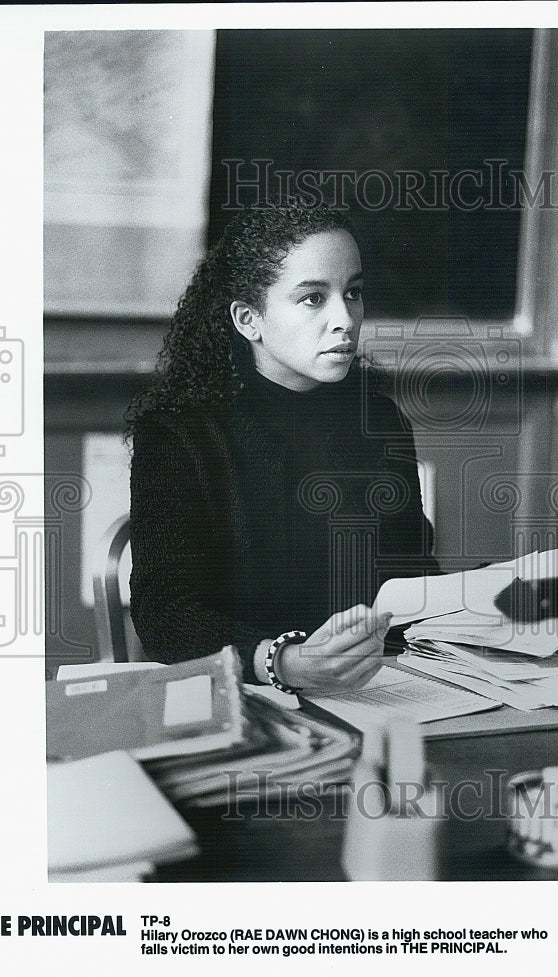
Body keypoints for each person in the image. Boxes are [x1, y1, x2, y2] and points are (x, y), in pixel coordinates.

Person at [127, 202, 439, 694]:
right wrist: (284, 661)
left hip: (379, 687)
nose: (345, 319)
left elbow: (413, 573)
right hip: (243, 690)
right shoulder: (179, 433)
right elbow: (166, 615)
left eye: (353, 293)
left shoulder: (377, 418)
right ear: (249, 319)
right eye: (313, 299)